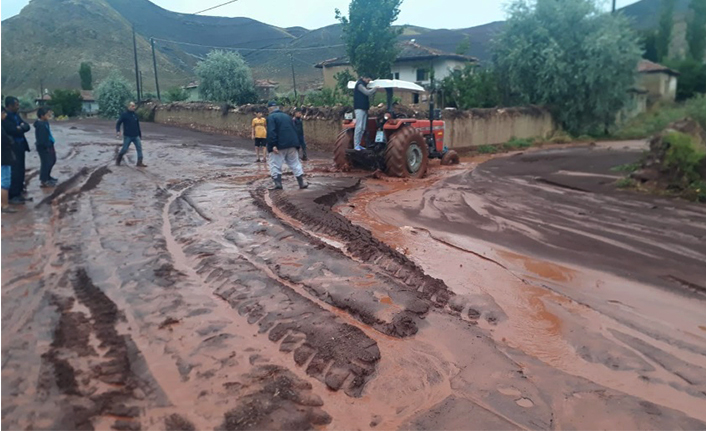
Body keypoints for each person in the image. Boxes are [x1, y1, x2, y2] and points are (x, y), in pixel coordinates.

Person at [266, 101, 308, 190]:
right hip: (292, 144)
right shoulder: (287, 117)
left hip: (279, 145)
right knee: (295, 163)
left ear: (269, 109)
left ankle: (278, 184)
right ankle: (301, 183)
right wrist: (297, 144)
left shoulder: (271, 117)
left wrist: (272, 145)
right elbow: (295, 130)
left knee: (275, 164)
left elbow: (271, 132)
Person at [2, 97, 32, 204]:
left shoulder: (16, 115)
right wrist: (19, 128)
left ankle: (19, 192)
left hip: (20, 146)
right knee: (14, 171)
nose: (18, 106)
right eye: (16, 105)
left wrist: (21, 128)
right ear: (9, 106)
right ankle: (12, 195)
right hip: (12, 147)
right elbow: (12, 130)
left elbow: (27, 126)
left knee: (21, 169)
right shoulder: (5, 117)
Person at [115, 102, 147, 167]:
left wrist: (139, 134)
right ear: (129, 107)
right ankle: (119, 159)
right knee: (124, 149)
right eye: (132, 106)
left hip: (136, 135)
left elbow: (137, 125)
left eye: (134, 106)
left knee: (139, 148)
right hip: (128, 136)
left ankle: (139, 162)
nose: (134, 107)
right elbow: (118, 123)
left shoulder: (135, 115)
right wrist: (118, 131)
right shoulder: (124, 115)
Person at [34, 107, 58, 188]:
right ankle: (44, 180)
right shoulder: (40, 125)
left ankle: (47, 176)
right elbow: (41, 139)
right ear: (42, 115)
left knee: (52, 160)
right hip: (44, 147)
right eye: (47, 114)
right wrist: (46, 146)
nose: (49, 115)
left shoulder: (45, 122)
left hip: (49, 145)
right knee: (46, 163)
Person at [353, 76, 376, 151]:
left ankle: (359, 144)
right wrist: (375, 88)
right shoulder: (359, 85)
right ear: (364, 78)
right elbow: (367, 93)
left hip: (364, 108)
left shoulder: (364, 85)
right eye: (368, 79)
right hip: (359, 108)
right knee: (359, 127)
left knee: (363, 127)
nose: (369, 81)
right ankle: (356, 145)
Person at [2, 107, 17, 213]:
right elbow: (5, 141)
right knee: (4, 183)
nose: (5, 115)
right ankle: (4, 205)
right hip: (3, 158)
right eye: (3, 113)